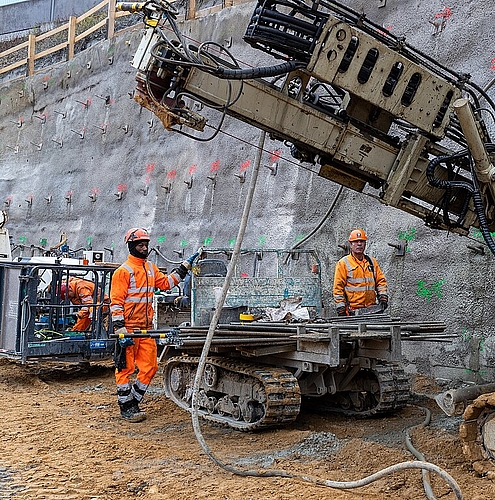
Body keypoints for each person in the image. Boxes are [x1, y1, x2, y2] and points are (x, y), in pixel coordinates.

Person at [110, 227, 200, 423]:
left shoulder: (150, 268)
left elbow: (167, 283)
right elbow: (116, 302)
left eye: (146, 245)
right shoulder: (123, 272)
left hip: (146, 329)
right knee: (125, 368)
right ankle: (127, 408)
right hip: (129, 329)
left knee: (150, 366)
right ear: (131, 246)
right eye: (140, 245)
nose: (144, 248)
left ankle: (133, 400)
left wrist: (184, 267)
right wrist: (120, 329)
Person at [333, 229, 388, 316]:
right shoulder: (343, 263)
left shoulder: (372, 262)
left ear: (365, 244)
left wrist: (383, 297)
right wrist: (341, 308)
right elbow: (338, 288)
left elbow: (381, 282)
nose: (359, 244)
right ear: (350, 244)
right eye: (356, 242)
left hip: (372, 310)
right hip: (353, 311)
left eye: (362, 241)